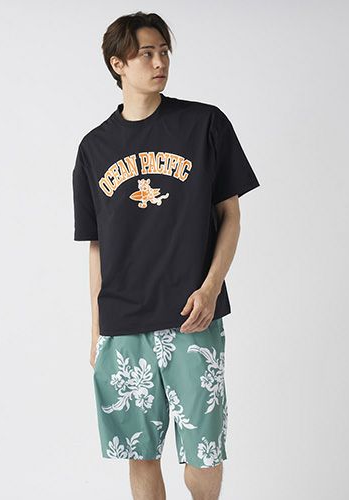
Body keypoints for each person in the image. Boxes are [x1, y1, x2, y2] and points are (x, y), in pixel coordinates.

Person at [72, 11, 260, 500]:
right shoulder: (93, 148)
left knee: (204, 454)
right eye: (146, 54)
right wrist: (96, 330)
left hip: (192, 316)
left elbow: (231, 216)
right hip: (123, 322)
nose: (160, 63)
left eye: (164, 52)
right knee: (140, 454)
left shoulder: (204, 124)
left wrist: (211, 287)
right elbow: (97, 244)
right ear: (118, 64)